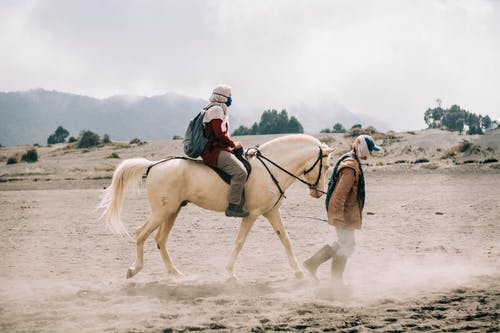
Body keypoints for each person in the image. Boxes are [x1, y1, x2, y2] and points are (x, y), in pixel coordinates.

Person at [302, 134, 381, 285]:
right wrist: (337, 217)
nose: (371, 153)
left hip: (346, 213)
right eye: (370, 149)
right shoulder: (351, 166)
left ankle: (312, 264)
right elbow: (339, 194)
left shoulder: (351, 161)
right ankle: (335, 281)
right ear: (362, 148)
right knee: (346, 245)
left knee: (345, 244)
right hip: (344, 214)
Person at [201, 85, 250, 218]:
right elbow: (219, 135)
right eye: (229, 96)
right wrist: (233, 144)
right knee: (240, 172)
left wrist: (232, 145)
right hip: (214, 151)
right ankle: (233, 206)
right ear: (222, 97)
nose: (230, 99)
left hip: (217, 148)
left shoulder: (213, 108)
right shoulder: (216, 110)